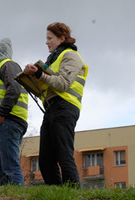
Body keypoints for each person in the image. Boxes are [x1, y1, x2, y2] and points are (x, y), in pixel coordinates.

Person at [23, 22, 88, 187]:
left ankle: (72, 193)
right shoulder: (53, 60)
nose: (46, 42)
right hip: (51, 108)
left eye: (50, 38)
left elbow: (63, 83)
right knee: (45, 159)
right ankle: (57, 193)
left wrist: (38, 73)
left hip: (65, 107)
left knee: (64, 154)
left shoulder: (71, 56)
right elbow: (47, 85)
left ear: (62, 38)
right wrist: (29, 78)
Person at [0, 38, 29, 186]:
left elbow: (14, 88)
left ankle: (18, 195)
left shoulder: (8, 65)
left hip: (8, 121)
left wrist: (1, 113)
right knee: (2, 171)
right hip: (4, 124)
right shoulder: (0, 70)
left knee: (10, 167)